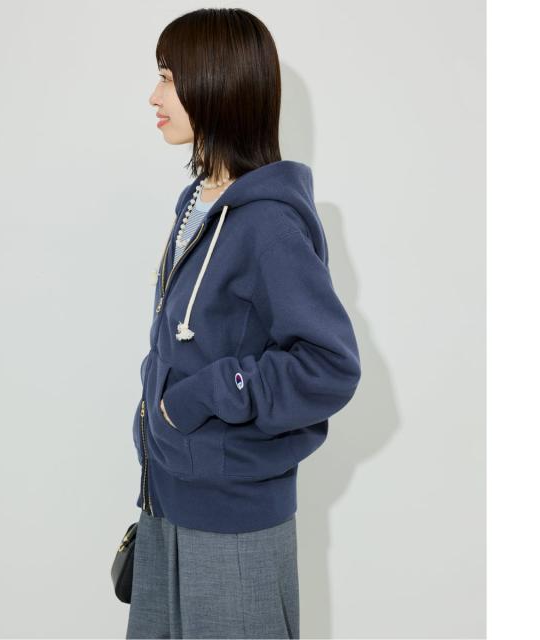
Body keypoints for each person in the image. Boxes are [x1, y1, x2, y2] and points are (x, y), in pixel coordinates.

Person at [126, 8, 361, 639]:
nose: (154, 96)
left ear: (217, 84)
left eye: (168, 77)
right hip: (166, 503)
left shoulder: (269, 224)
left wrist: (202, 396)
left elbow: (330, 365)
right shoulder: (198, 203)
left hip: (233, 526)